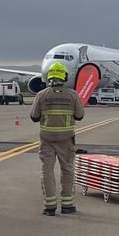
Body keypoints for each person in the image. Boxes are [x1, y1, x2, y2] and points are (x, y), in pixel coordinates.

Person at [29, 62, 85, 215]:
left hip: (47, 139)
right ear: (65, 76)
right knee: (67, 170)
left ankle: (50, 206)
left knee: (47, 171)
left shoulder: (41, 95)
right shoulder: (72, 95)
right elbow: (80, 115)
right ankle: (67, 205)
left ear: (49, 76)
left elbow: (34, 117)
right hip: (66, 139)